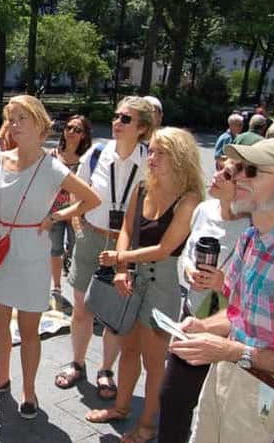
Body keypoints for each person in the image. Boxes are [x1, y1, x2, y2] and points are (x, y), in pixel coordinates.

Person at [171, 137, 274, 443]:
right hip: (223, 379)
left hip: (270, 395)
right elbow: (239, 314)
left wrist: (233, 351)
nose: (236, 176)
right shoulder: (250, 239)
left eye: (251, 170)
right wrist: (202, 326)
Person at [0, 95, 100, 419]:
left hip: (33, 255)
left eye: (22, 118)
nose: (14, 125)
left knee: (29, 329)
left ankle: (29, 391)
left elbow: (91, 199)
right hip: (0, 248)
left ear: (40, 123)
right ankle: (1, 378)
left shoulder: (51, 166)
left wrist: (56, 217)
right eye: (11, 118)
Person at [86, 127, 202, 443]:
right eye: (151, 150)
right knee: (128, 350)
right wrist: (122, 267)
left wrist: (121, 257)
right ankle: (122, 408)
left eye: (160, 152)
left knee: (154, 362)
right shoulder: (141, 188)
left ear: (180, 157)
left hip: (162, 287)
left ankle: (148, 425)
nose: (152, 157)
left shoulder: (189, 199)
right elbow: (126, 227)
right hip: (132, 278)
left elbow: (165, 248)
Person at [55, 96, 154, 400]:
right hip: (92, 237)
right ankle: (77, 362)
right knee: (82, 309)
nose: (116, 122)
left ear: (142, 128)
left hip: (125, 245)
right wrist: (76, 225)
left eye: (125, 119)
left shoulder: (151, 161)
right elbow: (77, 191)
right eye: (115, 116)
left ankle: (105, 370)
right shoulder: (97, 153)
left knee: (113, 313)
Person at [156, 161, 249, 443]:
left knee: (217, 408)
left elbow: (256, 296)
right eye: (219, 166)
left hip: (230, 326)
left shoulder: (252, 228)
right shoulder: (203, 210)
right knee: (172, 397)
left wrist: (223, 283)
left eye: (227, 174)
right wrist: (188, 270)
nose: (217, 174)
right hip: (194, 316)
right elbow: (185, 254)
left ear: (243, 186)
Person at [48, 115, 93, 306]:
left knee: (78, 250)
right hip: (54, 211)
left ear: (84, 135)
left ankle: (80, 290)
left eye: (77, 130)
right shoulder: (52, 155)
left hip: (78, 213)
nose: (72, 132)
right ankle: (56, 288)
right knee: (54, 250)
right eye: (69, 127)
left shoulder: (87, 159)